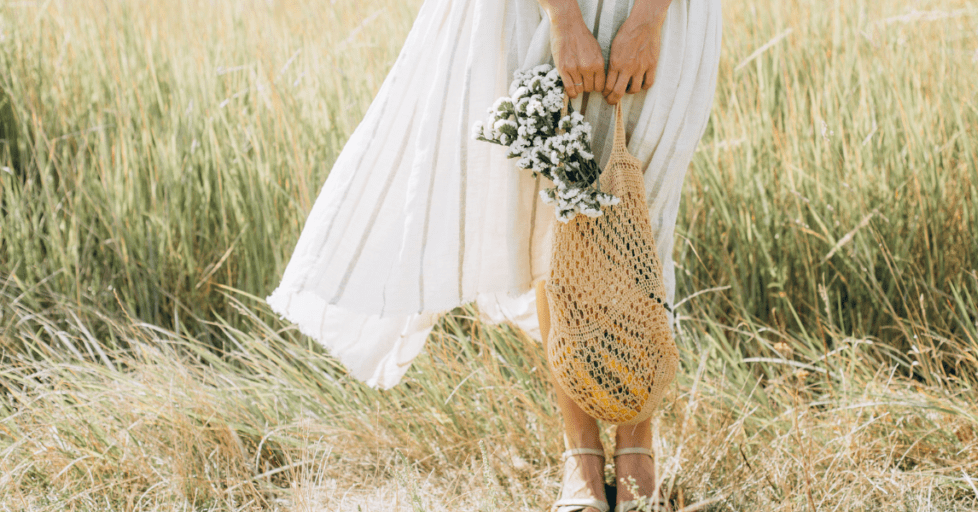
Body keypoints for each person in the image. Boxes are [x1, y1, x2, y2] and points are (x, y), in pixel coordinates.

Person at [267, 0, 720, 510]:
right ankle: (583, 458)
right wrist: (564, 19)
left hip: (669, 13)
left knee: (644, 213)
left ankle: (638, 447)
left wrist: (646, 20)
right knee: (554, 213)